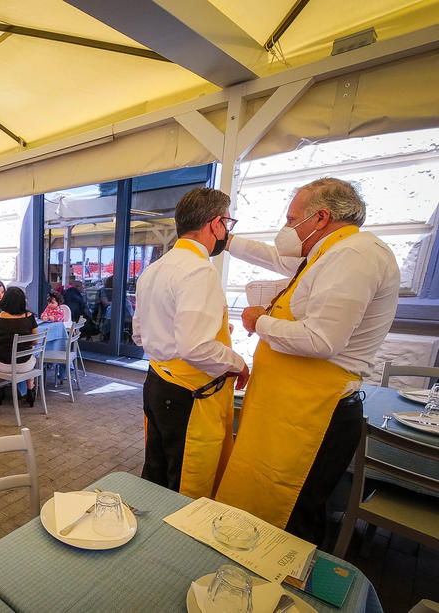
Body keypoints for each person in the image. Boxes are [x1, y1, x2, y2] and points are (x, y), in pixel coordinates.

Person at [216, 178, 400, 544]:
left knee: (295, 513)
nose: (286, 228)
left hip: (316, 412)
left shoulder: (354, 256)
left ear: (320, 218)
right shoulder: (329, 252)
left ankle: (288, 575)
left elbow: (322, 339)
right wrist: (227, 239)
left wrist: (259, 321)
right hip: (292, 407)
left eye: (290, 219)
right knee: (268, 498)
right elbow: (276, 257)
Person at [131, 187, 249, 499]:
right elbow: (195, 347)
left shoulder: (153, 270)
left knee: (155, 471)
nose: (226, 231)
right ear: (215, 224)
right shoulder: (199, 270)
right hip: (186, 395)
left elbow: (139, 334)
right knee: (183, 482)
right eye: (227, 223)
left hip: (156, 382)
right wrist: (238, 363)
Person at [0, 287, 39, 406]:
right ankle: (30, 389)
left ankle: (0, 388)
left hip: (3, 365)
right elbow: (35, 341)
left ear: (5, 300)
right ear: (22, 301)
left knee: (0, 356)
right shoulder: (29, 316)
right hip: (24, 365)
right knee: (30, 356)